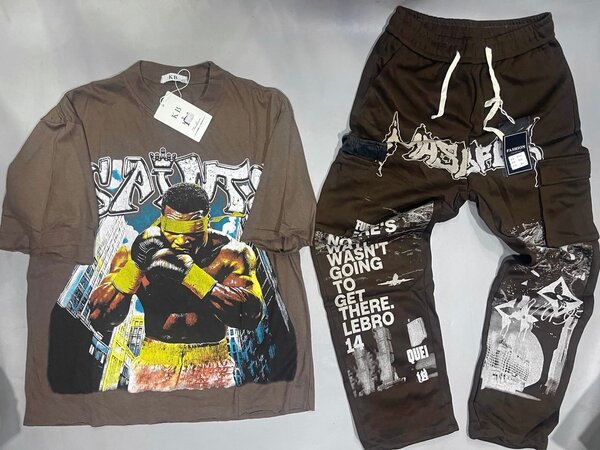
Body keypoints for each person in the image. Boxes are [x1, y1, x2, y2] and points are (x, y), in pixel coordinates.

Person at [89, 182, 264, 392]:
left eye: (191, 232)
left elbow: (251, 316)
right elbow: (99, 318)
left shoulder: (231, 254)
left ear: (206, 221)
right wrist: (136, 266)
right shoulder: (135, 253)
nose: (181, 240)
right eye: (174, 231)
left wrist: (192, 275)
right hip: (153, 362)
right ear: (163, 221)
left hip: (210, 362)